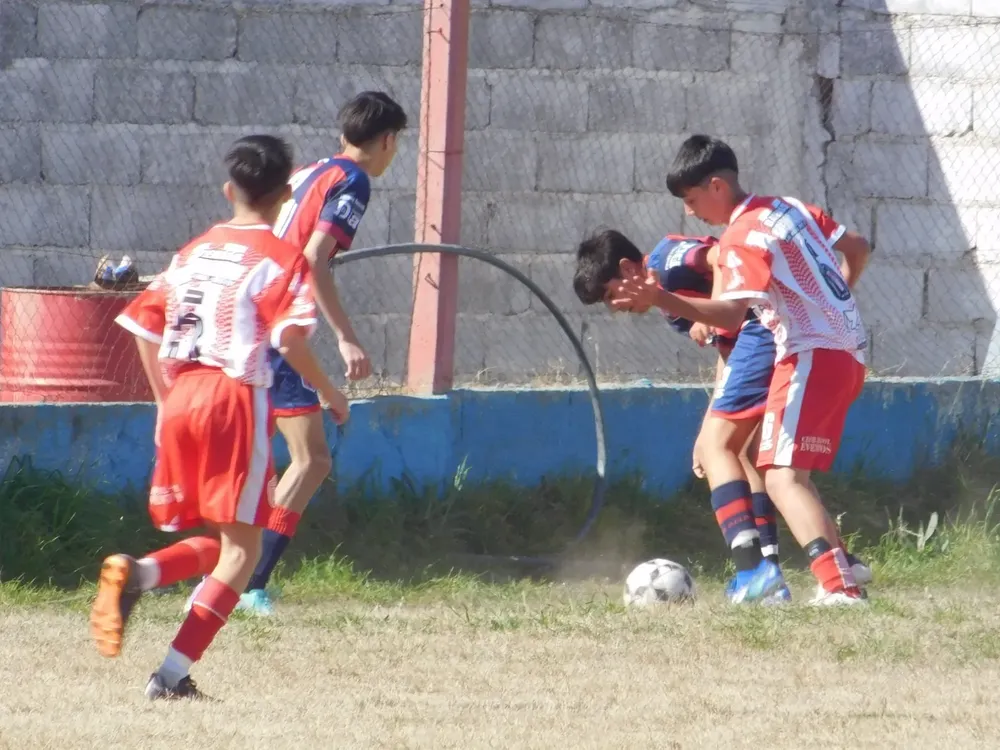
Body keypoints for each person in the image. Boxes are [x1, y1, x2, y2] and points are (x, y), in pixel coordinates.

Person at [89, 135, 350, 700]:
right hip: (234, 398)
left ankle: (140, 576)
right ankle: (170, 675)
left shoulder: (195, 250)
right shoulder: (281, 258)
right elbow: (289, 337)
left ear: (228, 190)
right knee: (243, 550)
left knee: (231, 543)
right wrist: (329, 391)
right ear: (286, 195)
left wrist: (164, 401)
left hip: (181, 394)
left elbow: (141, 323)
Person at [607, 135, 872, 606]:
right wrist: (839, 305)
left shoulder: (742, 235)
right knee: (777, 469)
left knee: (780, 477)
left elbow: (730, 316)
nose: (690, 212)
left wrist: (659, 299)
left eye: (691, 200)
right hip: (847, 349)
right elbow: (857, 247)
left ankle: (836, 588)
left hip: (811, 352)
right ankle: (842, 570)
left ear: (715, 186)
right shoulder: (787, 207)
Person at [184, 91, 408, 616]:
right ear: (387, 140)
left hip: (245, 317)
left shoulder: (311, 171)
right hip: (276, 323)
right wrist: (346, 336)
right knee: (311, 459)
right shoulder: (354, 180)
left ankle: (229, 576)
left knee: (268, 462)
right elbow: (313, 261)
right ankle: (247, 584)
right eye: (396, 144)